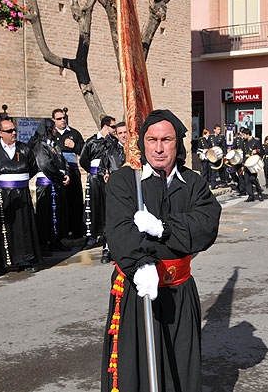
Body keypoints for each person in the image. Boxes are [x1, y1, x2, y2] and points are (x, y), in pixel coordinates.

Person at [101, 109, 221, 392]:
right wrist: (140, 264)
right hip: (139, 288)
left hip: (180, 291)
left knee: (180, 366)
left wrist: (163, 228)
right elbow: (119, 230)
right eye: (151, 139)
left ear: (177, 143)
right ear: (142, 143)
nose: (158, 148)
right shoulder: (125, 182)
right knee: (138, 370)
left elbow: (205, 226)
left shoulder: (193, 183)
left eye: (166, 139)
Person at [0, 119, 42, 274]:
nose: (14, 133)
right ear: (1, 133)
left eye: (14, 130)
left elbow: (33, 168)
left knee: (23, 227)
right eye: (9, 131)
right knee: (1, 229)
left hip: (21, 195)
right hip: (0, 195)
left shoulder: (24, 149)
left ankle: (24, 259)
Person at [28, 118, 71, 253]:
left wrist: (67, 174)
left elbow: (63, 160)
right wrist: (59, 176)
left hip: (57, 183)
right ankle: (45, 242)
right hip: (47, 184)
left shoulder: (54, 145)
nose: (55, 130)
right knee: (46, 214)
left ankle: (56, 240)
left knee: (58, 214)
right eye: (53, 128)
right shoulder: (40, 145)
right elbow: (45, 164)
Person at [80, 115, 116, 250]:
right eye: (113, 126)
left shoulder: (113, 142)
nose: (115, 129)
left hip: (108, 178)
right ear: (105, 126)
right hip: (95, 178)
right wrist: (93, 171)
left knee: (109, 206)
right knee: (93, 206)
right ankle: (92, 236)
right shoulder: (91, 141)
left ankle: (109, 236)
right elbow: (83, 160)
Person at [52, 108, 86, 239]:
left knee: (75, 201)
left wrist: (74, 146)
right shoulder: (52, 135)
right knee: (60, 202)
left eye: (64, 118)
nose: (62, 120)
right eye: (59, 118)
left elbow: (84, 152)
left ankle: (76, 231)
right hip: (58, 173)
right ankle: (61, 232)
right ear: (54, 120)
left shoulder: (74, 133)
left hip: (73, 171)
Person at [99, 121, 128, 264]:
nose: (123, 136)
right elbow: (101, 167)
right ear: (116, 135)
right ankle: (107, 248)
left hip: (131, 190)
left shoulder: (136, 149)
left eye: (125, 132)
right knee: (111, 220)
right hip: (114, 191)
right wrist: (104, 174)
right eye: (120, 133)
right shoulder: (109, 149)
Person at [240, 127, 263, 202]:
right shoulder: (244, 142)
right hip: (246, 163)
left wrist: (256, 151)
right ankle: (251, 196)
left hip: (253, 163)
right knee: (246, 180)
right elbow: (244, 154)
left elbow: (261, 152)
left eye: (244, 134)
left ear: (248, 134)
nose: (243, 136)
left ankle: (259, 190)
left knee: (252, 179)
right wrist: (243, 165)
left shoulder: (256, 141)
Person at [207, 124, 226, 188]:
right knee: (213, 170)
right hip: (213, 156)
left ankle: (223, 181)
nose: (219, 131)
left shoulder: (221, 137)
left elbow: (224, 146)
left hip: (219, 156)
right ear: (214, 130)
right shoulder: (211, 137)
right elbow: (209, 146)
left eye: (220, 129)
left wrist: (224, 155)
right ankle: (213, 184)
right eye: (218, 129)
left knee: (221, 170)